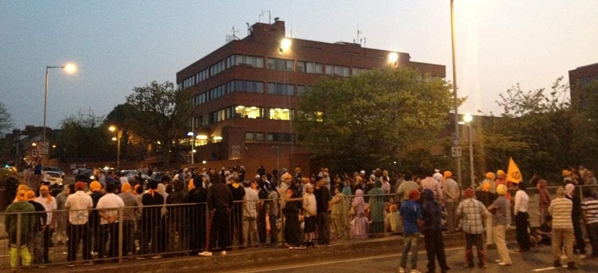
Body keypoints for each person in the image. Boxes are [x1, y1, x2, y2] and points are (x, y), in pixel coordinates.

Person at [199, 172, 234, 256]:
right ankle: (223, 249)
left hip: (217, 210)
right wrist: (229, 208)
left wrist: (211, 209)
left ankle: (209, 249)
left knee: (213, 230)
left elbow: (209, 199)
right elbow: (231, 199)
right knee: (224, 230)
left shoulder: (212, 187)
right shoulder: (226, 187)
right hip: (226, 210)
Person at [65, 181, 94, 267]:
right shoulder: (88, 197)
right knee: (87, 242)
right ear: (84, 188)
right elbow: (90, 208)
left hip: (73, 221)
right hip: (84, 221)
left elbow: (67, 208)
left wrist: (69, 216)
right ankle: (87, 259)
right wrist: (86, 215)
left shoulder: (70, 197)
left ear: (75, 188)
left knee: (73, 242)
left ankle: (71, 261)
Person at [457, 188, 488, 268]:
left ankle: (470, 263)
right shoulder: (479, 203)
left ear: (465, 195)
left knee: (468, 246)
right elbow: (486, 214)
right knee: (480, 246)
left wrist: (464, 217)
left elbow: (458, 214)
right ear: (473, 194)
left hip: (468, 228)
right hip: (478, 228)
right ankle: (482, 263)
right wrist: (479, 217)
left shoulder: (462, 204)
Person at [5, 190, 35, 271]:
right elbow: (32, 220)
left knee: (14, 248)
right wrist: (30, 229)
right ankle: (26, 262)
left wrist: (8, 229)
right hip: (25, 230)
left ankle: (14, 266)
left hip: (13, 230)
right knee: (24, 247)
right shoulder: (30, 207)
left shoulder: (10, 207)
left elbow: (7, 220)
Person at [422, 189, 450, 273]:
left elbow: (423, 217)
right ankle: (443, 266)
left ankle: (432, 268)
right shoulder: (438, 204)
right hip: (438, 229)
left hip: (429, 229)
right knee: (440, 249)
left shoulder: (425, 206)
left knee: (431, 250)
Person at [549, 187, 577, 269]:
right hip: (568, 224)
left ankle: (557, 260)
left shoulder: (553, 202)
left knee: (556, 244)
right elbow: (570, 211)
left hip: (556, 225)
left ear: (557, 193)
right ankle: (570, 262)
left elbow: (550, 212)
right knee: (569, 244)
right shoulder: (569, 202)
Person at [96, 183, 124, 260]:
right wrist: (114, 218)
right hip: (116, 221)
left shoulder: (102, 199)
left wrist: (107, 218)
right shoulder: (118, 198)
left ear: (106, 189)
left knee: (102, 240)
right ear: (114, 190)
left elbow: (99, 210)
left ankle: (101, 257)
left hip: (104, 221)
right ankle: (114, 256)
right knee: (114, 239)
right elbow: (122, 210)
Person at [398, 190, 423, 273]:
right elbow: (418, 220)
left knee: (405, 249)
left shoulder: (404, 204)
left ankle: (402, 267)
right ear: (415, 196)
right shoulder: (416, 206)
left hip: (406, 229)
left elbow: (401, 217)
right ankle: (413, 268)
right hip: (415, 230)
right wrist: (421, 228)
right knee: (414, 250)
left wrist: (404, 226)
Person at [487, 184, 512, 266]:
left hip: (499, 222)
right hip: (502, 222)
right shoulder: (504, 199)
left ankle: (506, 259)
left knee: (500, 241)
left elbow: (489, 208)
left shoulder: (499, 200)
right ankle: (502, 258)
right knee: (499, 241)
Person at [140, 180, 165, 258]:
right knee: (155, 236)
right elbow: (160, 206)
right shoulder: (160, 197)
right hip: (156, 217)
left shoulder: (145, 196)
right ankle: (155, 252)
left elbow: (144, 203)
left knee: (145, 236)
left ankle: (144, 252)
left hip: (146, 218)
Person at [34, 185, 56, 266]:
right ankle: (38, 258)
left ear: (48, 191)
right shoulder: (37, 200)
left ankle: (46, 257)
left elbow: (54, 211)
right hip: (40, 224)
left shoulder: (52, 199)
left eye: (45, 190)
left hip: (48, 223)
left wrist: (52, 223)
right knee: (39, 243)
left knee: (47, 242)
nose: (43, 191)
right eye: (41, 190)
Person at [118, 182, 142, 257]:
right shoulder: (133, 197)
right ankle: (130, 252)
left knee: (121, 237)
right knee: (130, 237)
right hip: (131, 218)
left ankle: (122, 252)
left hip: (121, 219)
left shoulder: (119, 196)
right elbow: (139, 209)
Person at [187, 176, 208, 254]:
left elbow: (187, 202)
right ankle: (202, 247)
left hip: (194, 214)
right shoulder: (205, 191)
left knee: (194, 232)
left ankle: (194, 249)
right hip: (203, 214)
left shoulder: (192, 192)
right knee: (202, 231)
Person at [565, 183, 586, 258]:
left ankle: (570, 250)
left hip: (568, 218)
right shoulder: (576, 198)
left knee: (569, 236)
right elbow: (578, 209)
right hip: (575, 218)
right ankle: (582, 251)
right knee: (578, 234)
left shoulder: (565, 198)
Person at [26, 190, 46, 268]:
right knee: (38, 246)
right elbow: (44, 214)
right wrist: (44, 224)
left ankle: (27, 263)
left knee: (27, 246)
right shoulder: (38, 205)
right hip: (37, 227)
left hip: (27, 228)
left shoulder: (25, 205)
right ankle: (40, 262)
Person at [284, 178, 305, 249]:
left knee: (294, 226)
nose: (298, 184)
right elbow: (287, 199)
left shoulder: (296, 190)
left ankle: (294, 242)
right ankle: (294, 242)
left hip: (294, 210)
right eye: (296, 183)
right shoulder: (290, 190)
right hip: (290, 211)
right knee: (293, 226)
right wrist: (297, 199)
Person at [476, 181, 495, 248]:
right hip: (489, 211)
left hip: (481, 212)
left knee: (482, 227)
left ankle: (481, 241)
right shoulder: (491, 194)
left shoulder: (479, 194)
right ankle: (489, 242)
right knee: (489, 227)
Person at [314, 176, 332, 245]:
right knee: (319, 227)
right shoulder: (314, 191)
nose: (323, 182)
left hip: (324, 210)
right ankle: (320, 240)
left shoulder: (325, 189)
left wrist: (329, 207)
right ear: (317, 182)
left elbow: (328, 199)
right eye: (321, 181)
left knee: (326, 226)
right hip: (317, 211)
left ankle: (327, 240)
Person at [228, 176, 246, 247]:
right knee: (239, 226)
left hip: (232, 208)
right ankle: (241, 242)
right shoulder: (241, 188)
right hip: (239, 208)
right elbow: (243, 195)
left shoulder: (230, 188)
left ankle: (231, 242)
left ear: (233, 180)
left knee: (231, 226)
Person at [242, 179, 260, 248]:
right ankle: (255, 242)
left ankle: (245, 243)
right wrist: (257, 211)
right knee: (254, 228)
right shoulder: (254, 192)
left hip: (245, 212)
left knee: (245, 229)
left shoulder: (243, 192)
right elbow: (257, 203)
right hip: (253, 211)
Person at [513, 182, 531, 252]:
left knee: (520, 231)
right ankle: (526, 246)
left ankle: (521, 246)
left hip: (520, 213)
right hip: (525, 213)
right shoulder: (526, 194)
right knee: (525, 230)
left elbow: (517, 204)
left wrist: (515, 213)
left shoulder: (518, 193)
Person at [581, 188, 598, 259]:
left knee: (593, 238)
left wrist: (585, 221)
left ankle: (595, 253)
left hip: (590, 222)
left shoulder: (584, 203)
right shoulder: (596, 201)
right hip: (597, 220)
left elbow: (584, 213)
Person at [302, 183, 317, 247]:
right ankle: (306, 239)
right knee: (308, 227)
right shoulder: (305, 196)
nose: (312, 189)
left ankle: (311, 239)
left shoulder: (313, 195)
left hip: (313, 213)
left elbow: (315, 204)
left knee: (312, 227)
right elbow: (304, 205)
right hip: (308, 214)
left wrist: (314, 211)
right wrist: (310, 211)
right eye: (311, 188)